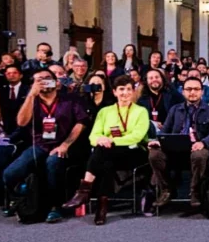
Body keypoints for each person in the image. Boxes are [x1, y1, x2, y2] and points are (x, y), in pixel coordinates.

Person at [3, 69, 88, 223]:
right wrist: (31, 95)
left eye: (47, 79)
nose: (43, 82)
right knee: (10, 173)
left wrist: (65, 145)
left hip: (65, 145)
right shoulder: (31, 101)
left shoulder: (70, 100)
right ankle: (20, 200)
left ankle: (55, 206)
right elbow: (21, 122)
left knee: (53, 163)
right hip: (40, 146)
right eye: (38, 80)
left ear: (56, 83)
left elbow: (81, 123)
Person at [62, 75, 149, 225]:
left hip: (134, 152)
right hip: (109, 153)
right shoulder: (105, 112)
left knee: (102, 152)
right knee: (105, 159)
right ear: (114, 92)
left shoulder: (141, 111)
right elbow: (93, 136)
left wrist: (110, 140)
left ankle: (84, 190)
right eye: (121, 89)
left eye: (129, 89)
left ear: (134, 92)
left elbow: (137, 136)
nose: (125, 93)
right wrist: (100, 140)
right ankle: (102, 207)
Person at [148, 76, 209, 209]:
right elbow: (164, 131)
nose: (192, 92)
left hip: (196, 149)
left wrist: (203, 143)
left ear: (202, 92)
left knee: (200, 154)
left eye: (196, 89)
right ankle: (167, 189)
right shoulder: (175, 109)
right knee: (154, 154)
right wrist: (158, 141)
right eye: (189, 89)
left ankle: (195, 192)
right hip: (175, 149)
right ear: (183, 91)